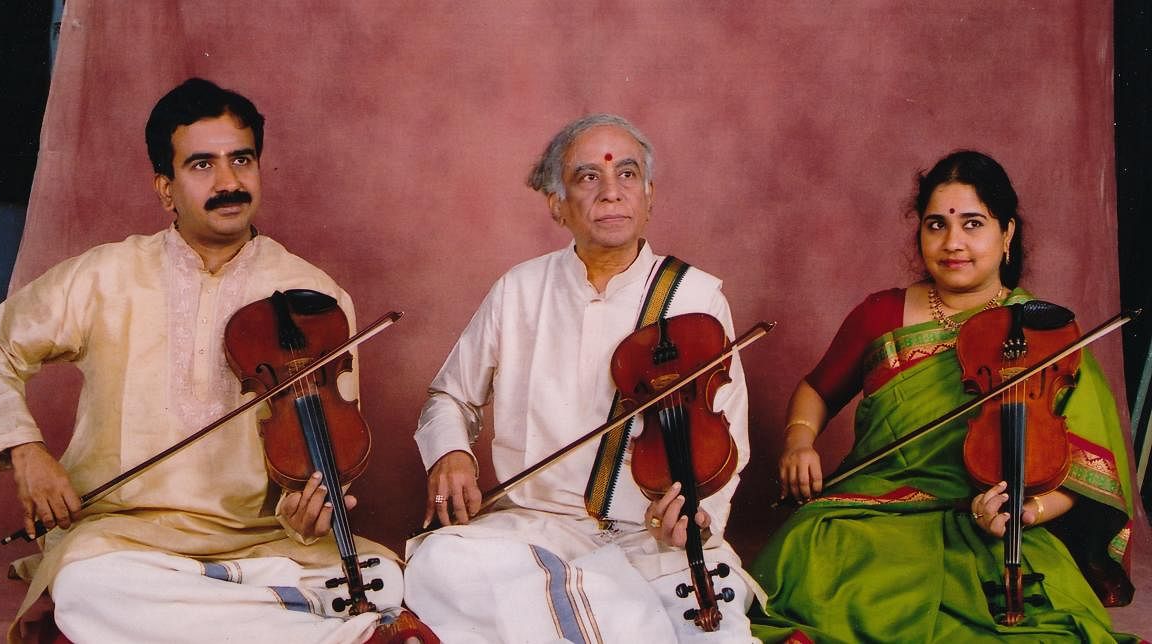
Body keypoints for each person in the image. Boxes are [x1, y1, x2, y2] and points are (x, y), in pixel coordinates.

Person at [0, 78, 411, 644]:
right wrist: (26, 452)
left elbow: (322, 458)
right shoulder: (106, 274)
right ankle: (332, 635)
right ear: (166, 189)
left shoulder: (315, 298)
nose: (228, 182)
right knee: (88, 585)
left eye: (241, 159)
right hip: (128, 539)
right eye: (202, 165)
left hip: (264, 543)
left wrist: (305, 516)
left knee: (382, 576)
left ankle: (223, 619)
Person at [748, 150, 1139, 643]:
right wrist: (799, 441)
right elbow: (815, 389)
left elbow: (1085, 471)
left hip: (995, 524)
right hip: (876, 513)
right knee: (811, 549)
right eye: (936, 225)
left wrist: (1026, 513)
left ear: (1007, 234)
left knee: (1038, 622)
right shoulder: (880, 314)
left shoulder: (1050, 334)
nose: (953, 243)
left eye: (973, 223)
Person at [403, 113, 764, 643]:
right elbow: (448, 398)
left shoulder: (696, 298)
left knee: (714, 632)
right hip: (531, 533)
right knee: (439, 561)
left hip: (651, 540)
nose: (612, 192)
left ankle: (599, 615)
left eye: (628, 175)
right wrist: (451, 452)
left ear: (649, 195)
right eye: (589, 177)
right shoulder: (519, 289)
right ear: (557, 204)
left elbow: (727, 436)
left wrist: (697, 515)